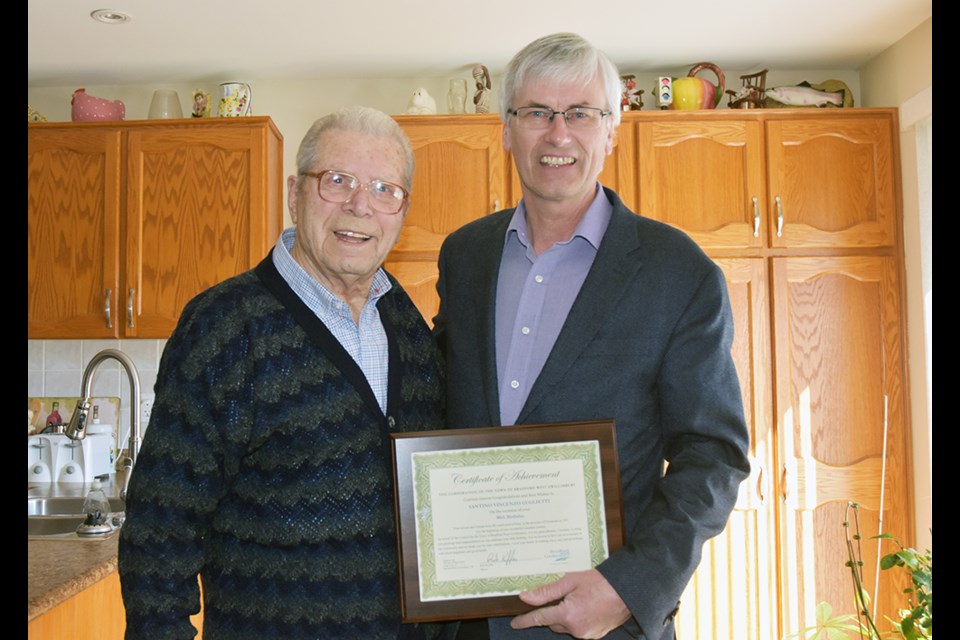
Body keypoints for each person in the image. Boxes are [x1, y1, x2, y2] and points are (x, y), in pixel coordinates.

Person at [432, 33, 750, 640]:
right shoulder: (464, 255)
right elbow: (444, 400)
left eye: (580, 114)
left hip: (601, 622)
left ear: (611, 130)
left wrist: (630, 589)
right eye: (536, 113)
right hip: (466, 616)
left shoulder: (678, 270)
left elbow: (712, 455)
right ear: (506, 129)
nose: (558, 134)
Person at [118, 106, 446, 640]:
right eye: (337, 181)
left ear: (403, 210)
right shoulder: (225, 326)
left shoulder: (405, 320)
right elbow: (161, 528)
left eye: (386, 189)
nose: (360, 205)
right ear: (295, 193)